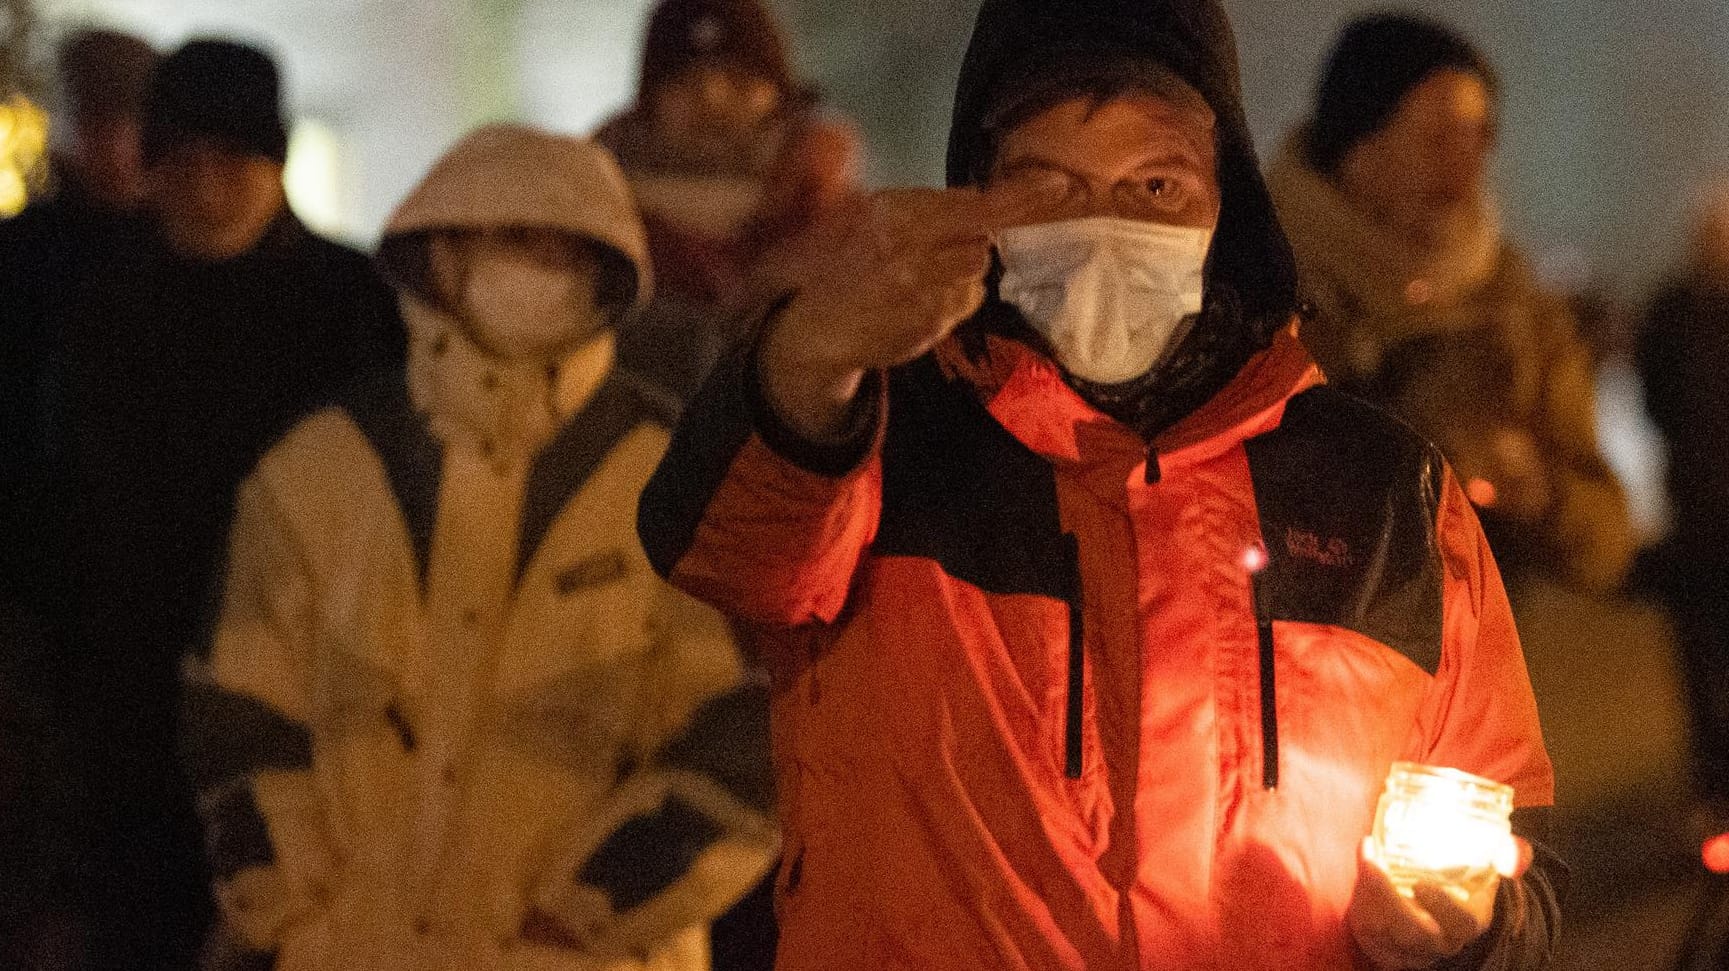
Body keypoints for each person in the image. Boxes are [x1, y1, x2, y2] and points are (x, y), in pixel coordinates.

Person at [637, 0, 1564, 968]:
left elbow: (1516, 852)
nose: (1104, 225)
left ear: (1224, 203)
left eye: (1155, 183)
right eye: (1048, 187)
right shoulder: (875, 436)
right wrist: (807, 354)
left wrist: (1466, 929)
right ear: (977, 193)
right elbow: (721, 544)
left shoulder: (1382, 494)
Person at [183, 123, 776, 971]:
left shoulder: (676, 479)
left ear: (605, 274)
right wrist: (289, 902)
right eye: (510, 239)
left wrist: (586, 914)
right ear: (441, 255)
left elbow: (747, 734)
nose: (535, 270)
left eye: (562, 250)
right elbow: (236, 703)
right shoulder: (319, 468)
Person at [44, 39, 403, 970]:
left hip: (312, 683)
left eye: (230, 162)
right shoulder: (96, 305)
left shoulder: (353, 303)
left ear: (273, 164)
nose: (205, 190)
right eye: (182, 164)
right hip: (128, 699)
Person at [1266, 12, 1633, 596]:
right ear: (1361, 149)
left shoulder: (1516, 308)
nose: (1468, 164)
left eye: (1480, 135)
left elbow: (1608, 541)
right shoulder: (1264, 298)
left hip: (1484, 672)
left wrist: (1543, 494)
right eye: (1439, 136)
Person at [0, 29, 160, 969]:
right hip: (33, 584)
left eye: (128, 124)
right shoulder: (26, 260)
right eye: (93, 123)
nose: (111, 149)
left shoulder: (181, 265)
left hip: (143, 585)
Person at [596, 0, 861, 406]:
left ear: (782, 98)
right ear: (648, 105)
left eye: (740, 80)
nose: (712, 99)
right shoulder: (589, 238)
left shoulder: (848, 234)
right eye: (685, 82)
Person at [1638, 183, 1729, 808]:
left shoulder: (1672, 309)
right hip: (1696, 510)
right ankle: (1712, 777)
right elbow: (1656, 399)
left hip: (1696, 498)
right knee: (1699, 651)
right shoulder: (1670, 311)